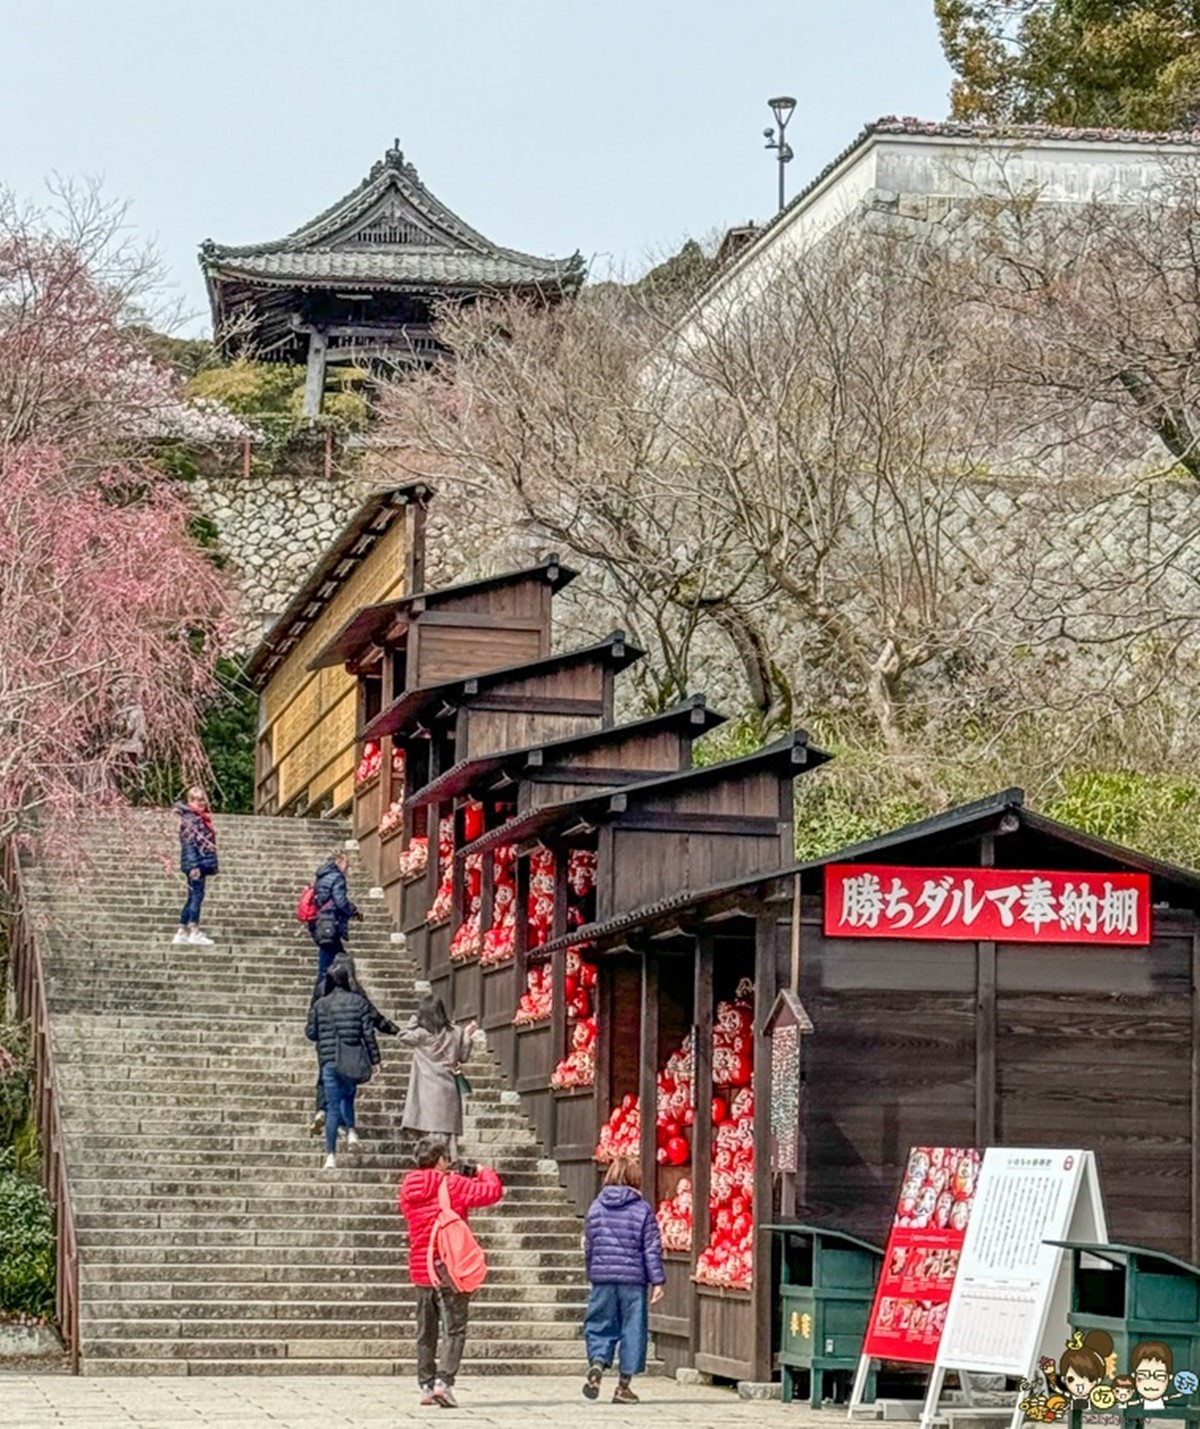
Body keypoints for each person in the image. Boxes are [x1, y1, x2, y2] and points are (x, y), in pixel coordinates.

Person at [398, 1136, 504, 1409]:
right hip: (449, 1267)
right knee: (454, 1328)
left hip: (422, 1268)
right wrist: (482, 1171)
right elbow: (490, 1192)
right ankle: (444, 1383)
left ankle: (425, 1385)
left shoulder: (408, 1188)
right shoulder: (452, 1183)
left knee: (426, 1330)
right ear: (441, 1160)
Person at [581, 1154, 665, 1405]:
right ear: (635, 1179)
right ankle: (623, 1386)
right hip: (633, 1279)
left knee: (599, 1323)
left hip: (603, 1277)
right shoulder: (642, 1210)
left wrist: (592, 1271)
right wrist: (657, 1280)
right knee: (633, 1329)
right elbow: (651, 1248)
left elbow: (589, 1245)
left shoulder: (596, 1207)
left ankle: (597, 1364)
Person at [308, 954, 399, 1139]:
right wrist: (392, 1029)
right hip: (349, 1046)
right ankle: (343, 1123)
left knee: (324, 1077)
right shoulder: (356, 992)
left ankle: (321, 1110)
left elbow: (312, 1019)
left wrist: (317, 1033)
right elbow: (372, 1016)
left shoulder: (321, 989)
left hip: (325, 1044)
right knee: (345, 1083)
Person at [305, 960, 381, 1170]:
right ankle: (352, 1133)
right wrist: (376, 1059)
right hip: (352, 1057)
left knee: (331, 1106)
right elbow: (368, 1033)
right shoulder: (359, 1002)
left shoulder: (321, 1004)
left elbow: (311, 1033)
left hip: (330, 1060)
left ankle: (330, 1155)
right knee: (348, 1098)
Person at [398, 997, 477, 1160]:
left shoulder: (421, 1035)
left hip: (427, 1091)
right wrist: (467, 1036)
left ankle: (433, 1166)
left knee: (431, 1134)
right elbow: (463, 1056)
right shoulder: (456, 1032)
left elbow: (402, 1035)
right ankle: (449, 1164)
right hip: (449, 1090)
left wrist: (415, 1018)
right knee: (448, 1135)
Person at [172, 786, 218, 946]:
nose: (202, 803)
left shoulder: (196, 818)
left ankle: (181, 931)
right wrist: (194, 867)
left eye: (204, 799)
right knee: (196, 896)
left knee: (193, 896)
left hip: (198, 862)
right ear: (191, 800)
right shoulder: (192, 819)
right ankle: (194, 930)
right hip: (196, 864)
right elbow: (189, 844)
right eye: (198, 800)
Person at [307, 850, 361, 984]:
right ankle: (323, 995)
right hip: (331, 922)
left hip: (321, 921)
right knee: (330, 961)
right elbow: (340, 901)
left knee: (330, 957)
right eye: (346, 864)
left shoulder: (322, 876)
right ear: (339, 861)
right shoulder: (337, 877)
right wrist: (353, 911)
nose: (347, 868)